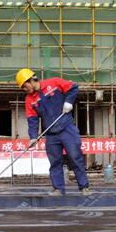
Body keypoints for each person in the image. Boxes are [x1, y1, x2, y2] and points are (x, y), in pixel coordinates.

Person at [16, 68, 91, 196]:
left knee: (75, 157)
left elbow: (73, 87)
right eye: (22, 87)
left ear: (32, 80)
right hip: (51, 133)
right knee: (55, 162)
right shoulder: (30, 100)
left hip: (67, 129)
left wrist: (68, 102)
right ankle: (58, 189)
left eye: (25, 85)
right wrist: (33, 137)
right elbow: (32, 120)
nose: (24, 89)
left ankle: (84, 187)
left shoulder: (54, 83)